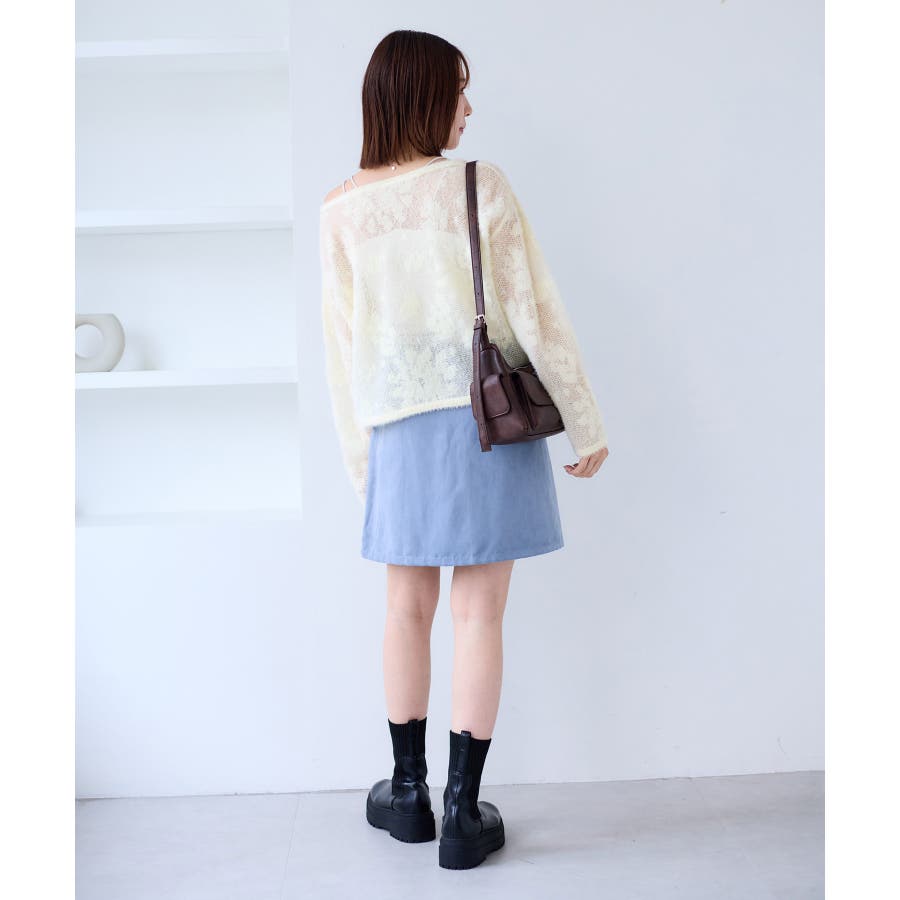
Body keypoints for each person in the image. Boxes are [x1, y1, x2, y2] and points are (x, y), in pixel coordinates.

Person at [319, 29, 610, 870]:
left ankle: (406, 795)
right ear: (419, 98)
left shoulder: (341, 209)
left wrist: (363, 467)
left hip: (399, 433)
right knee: (480, 615)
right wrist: (584, 421)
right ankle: (460, 813)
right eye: (458, 91)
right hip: (489, 424)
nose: (469, 107)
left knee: (403, 612)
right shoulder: (479, 185)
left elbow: (342, 355)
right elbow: (533, 311)